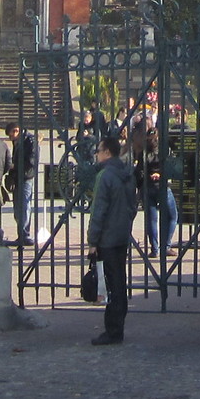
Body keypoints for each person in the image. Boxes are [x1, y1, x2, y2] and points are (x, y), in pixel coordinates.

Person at [86, 136, 136, 346]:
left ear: (107, 152)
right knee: (119, 282)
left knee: (110, 284)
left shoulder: (105, 176)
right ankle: (117, 326)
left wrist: (92, 240)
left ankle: (113, 330)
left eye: (98, 151)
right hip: (121, 235)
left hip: (107, 237)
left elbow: (98, 210)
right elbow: (133, 206)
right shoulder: (127, 174)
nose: (96, 154)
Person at [6, 122, 37, 246]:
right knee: (18, 207)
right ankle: (21, 234)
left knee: (24, 206)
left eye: (11, 135)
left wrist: (15, 166)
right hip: (18, 176)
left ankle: (25, 235)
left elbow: (32, 161)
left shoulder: (30, 141)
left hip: (26, 176)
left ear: (16, 131)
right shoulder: (18, 141)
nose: (11, 138)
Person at [141, 163, 177, 256]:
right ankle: (166, 246)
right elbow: (173, 168)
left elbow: (138, 171)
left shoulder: (143, 154)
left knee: (151, 219)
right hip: (162, 187)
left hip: (147, 187)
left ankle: (155, 249)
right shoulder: (164, 154)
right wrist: (161, 174)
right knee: (172, 217)